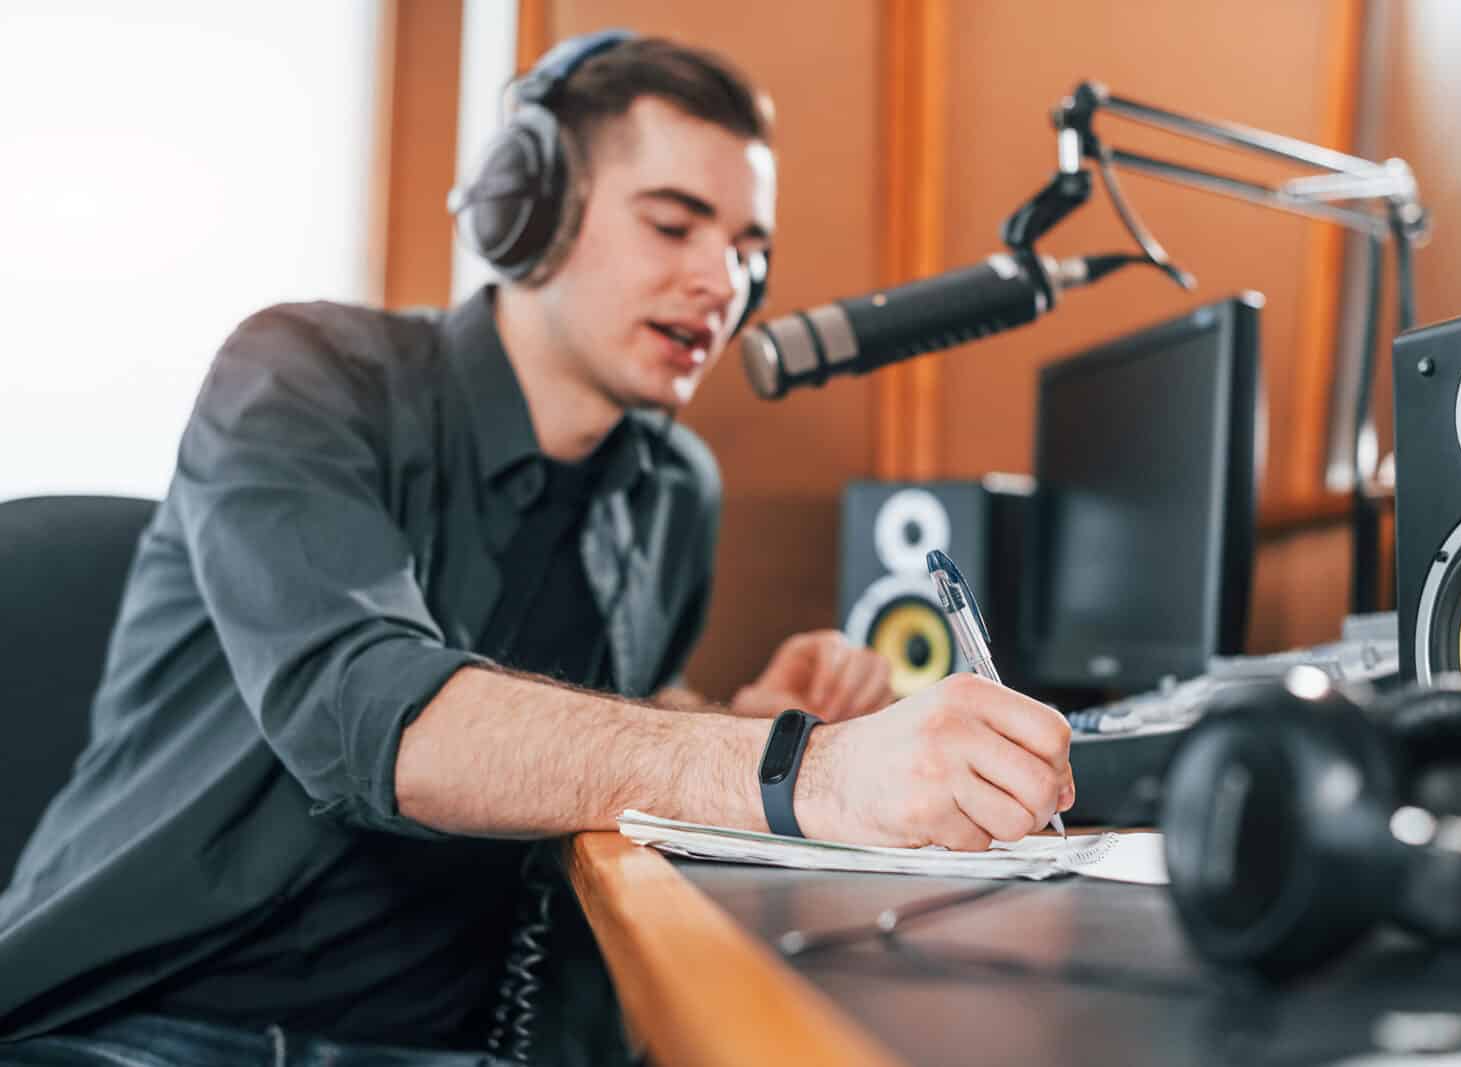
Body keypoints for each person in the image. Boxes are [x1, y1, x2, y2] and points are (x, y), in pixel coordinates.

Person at [0, 31, 1074, 1066]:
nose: (725, 283)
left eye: (751, 249)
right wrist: (809, 767)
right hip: (147, 1019)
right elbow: (369, 715)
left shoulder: (672, 490)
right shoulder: (300, 375)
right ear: (532, 211)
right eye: (673, 224)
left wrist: (730, 716)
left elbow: (603, 713)